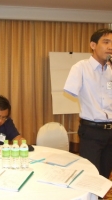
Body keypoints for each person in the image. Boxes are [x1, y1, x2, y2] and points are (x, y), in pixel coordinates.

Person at [64, 28, 112, 179]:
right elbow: (70, 90)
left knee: (104, 176)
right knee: (90, 176)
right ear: (93, 45)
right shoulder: (81, 68)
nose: (110, 46)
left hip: (111, 131)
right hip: (91, 131)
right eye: (106, 42)